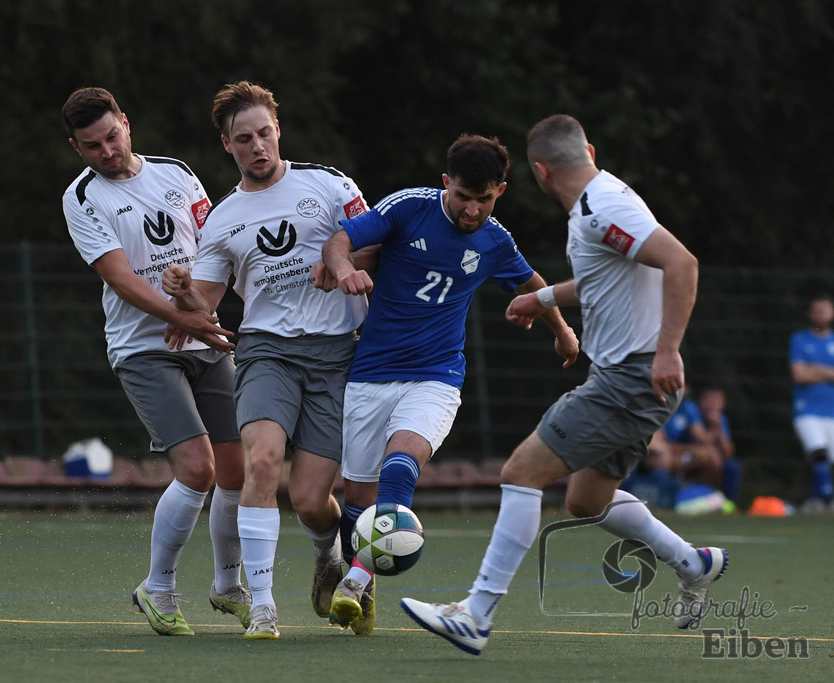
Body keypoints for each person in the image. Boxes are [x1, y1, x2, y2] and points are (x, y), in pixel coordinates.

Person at [400, 114, 728, 655]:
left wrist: (667, 349)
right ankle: (693, 563)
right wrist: (543, 298)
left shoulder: (603, 208)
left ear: (540, 170)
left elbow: (682, 263)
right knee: (585, 499)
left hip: (633, 377)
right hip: (634, 379)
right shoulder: (603, 200)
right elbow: (608, 276)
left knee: (521, 471)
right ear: (589, 151)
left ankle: (474, 614)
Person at [319, 134, 579, 636]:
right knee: (357, 496)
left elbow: (531, 283)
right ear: (447, 184)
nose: (472, 209)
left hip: (437, 376)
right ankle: (365, 581)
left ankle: (355, 580)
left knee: (402, 462)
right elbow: (339, 241)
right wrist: (344, 269)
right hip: (371, 374)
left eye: (484, 199)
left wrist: (564, 332)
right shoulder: (409, 207)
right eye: (464, 196)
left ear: (500, 191)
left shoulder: (494, 240)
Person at [161, 81, 374, 640]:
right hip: (266, 351)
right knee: (260, 465)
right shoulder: (223, 217)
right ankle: (263, 607)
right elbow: (203, 306)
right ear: (226, 145)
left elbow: (376, 244)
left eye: (264, 134)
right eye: (243, 139)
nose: (257, 146)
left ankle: (329, 556)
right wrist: (180, 290)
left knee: (310, 501)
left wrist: (343, 259)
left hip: (336, 355)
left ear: (278, 132)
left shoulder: (330, 186)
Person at [60, 87, 248, 636]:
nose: (107, 151)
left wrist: (198, 308)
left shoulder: (177, 173)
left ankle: (227, 585)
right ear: (77, 148)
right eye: (92, 146)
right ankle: (158, 587)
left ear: (126, 122)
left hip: (202, 336)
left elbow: (216, 245)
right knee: (198, 469)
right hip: (144, 349)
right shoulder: (82, 198)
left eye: (112, 136)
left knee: (239, 468)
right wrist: (181, 315)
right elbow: (117, 276)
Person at [789, 293, 834, 513]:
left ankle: (817, 499)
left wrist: (813, 370)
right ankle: (824, 501)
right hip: (807, 411)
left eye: (824, 310)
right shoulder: (799, 340)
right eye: (816, 310)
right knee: (819, 454)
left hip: (831, 411)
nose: (820, 315)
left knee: (827, 461)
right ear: (810, 314)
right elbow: (799, 375)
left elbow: (807, 372)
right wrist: (828, 372)